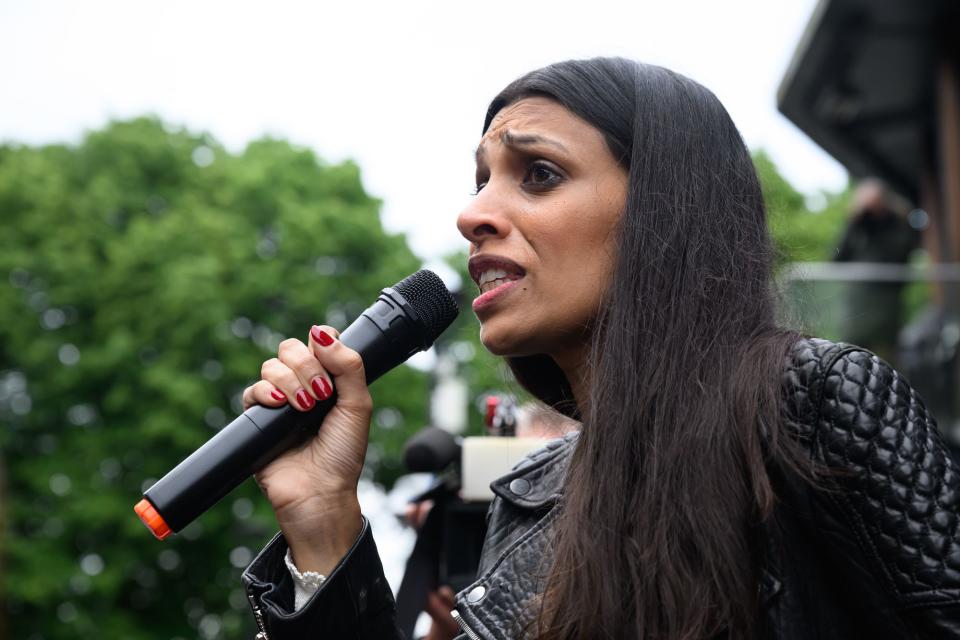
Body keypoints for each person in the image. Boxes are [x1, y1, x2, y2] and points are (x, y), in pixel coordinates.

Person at [239, 58, 960, 639]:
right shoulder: (529, 500)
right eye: (481, 180)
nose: (473, 214)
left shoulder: (813, 402)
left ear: (662, 208)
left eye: (538, 174)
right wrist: (324, 517)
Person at [833, 178, 919, 364]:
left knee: (889, 363)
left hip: (886, 311)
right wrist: (855, 220)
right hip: (857, 310)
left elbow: (899, 253)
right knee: (851, 361)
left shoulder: (898, 225)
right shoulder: (859, 226)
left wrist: (888, 217)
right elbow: (836, 257)